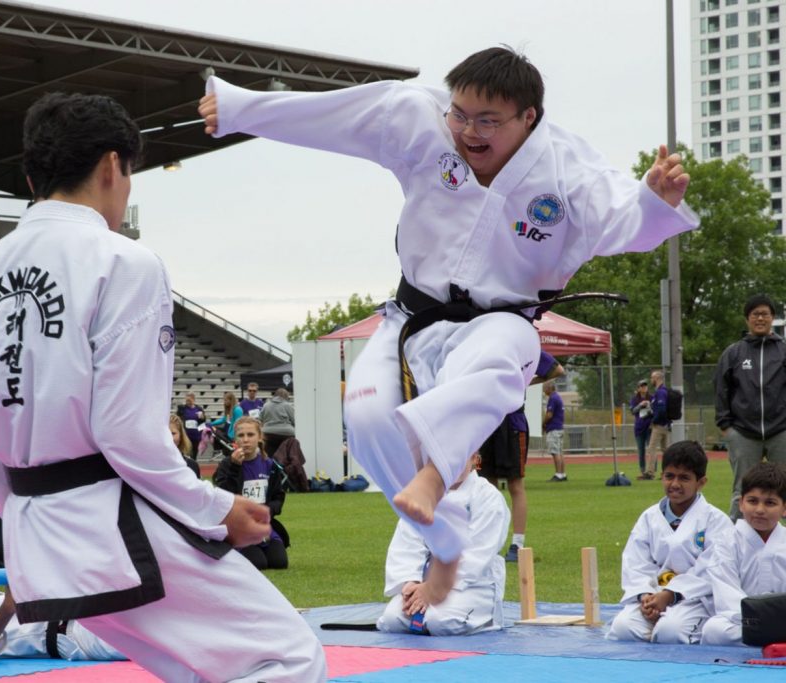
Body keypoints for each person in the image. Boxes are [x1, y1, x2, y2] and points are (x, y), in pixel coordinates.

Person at [199, 45, 697, 602]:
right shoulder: (419, 119)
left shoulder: (568, 171)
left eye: (488, 121)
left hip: (502, 319)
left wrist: (654, 201)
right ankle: (443, 535)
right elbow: (339, 117)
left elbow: (624, 215)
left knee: (495, 359)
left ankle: (435, 482)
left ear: (528, 118)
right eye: (460, 114)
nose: (468, 131)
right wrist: (242, 109)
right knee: (363, 414)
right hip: (412, 317)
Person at [0, 91, 325, 682]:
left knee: (207, 667)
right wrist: (216, 507)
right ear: (111, 166)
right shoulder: (123, 262)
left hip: (32, 527)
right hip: (107, 523)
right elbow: (126, 432)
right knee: (287, 656)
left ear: (30, 174)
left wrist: (23, 523)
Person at [606, 441, 734, 644]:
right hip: (653, 596)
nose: (675, 484)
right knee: (623, 628)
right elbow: (636, 562)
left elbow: (712, 570)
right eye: (669, 476)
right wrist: (646, 596)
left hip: (694, 600)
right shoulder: (650, 517)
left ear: (701, 482)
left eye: (684, 478)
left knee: (670, 632)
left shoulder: (716, 521)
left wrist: (670, 595)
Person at [377, 454, 509, 636]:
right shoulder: (425, 494)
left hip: (472, 585)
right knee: (392, 620)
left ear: (474, 459)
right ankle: (421, 604)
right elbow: (408, 541)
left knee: (440, 622)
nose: (451, 467)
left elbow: (478, 553)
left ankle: (484, 618)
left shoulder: (487, 497)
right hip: (425, 579)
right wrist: (411, 581)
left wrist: (433, 587)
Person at [481, 351, 563, 561]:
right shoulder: (482, 341)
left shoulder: (522, 346)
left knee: (515, 485)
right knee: (487, 487)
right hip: (486, 420)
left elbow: (557, 370)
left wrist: (526, 382)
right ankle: (489, 543)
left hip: (512, 422)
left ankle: (517, 544)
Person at [714, 294, 786, 520]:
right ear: (747, 319)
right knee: (743, 490)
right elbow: (721, 389)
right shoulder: (733, 353)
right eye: (755, 314)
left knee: (784, 488)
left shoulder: (783, 351)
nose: (760, 318)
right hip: (743, 433)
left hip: (780, 431)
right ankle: (735, 542)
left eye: (765, 314)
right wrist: (726, 427)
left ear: (772, 318)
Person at [700, 462, 786, 646]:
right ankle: (774, 642)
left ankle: (772, 640)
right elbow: (726, 592)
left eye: (770, 503)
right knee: (713, 630)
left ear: (784, 508)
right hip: (743, 623)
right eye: (752, 501)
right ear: (741, 503)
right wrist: (758, 620)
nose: (760, 510)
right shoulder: (726, 541)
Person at [213, 416, 289, 570]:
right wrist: (235, 468)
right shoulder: (226, 466)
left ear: (260, 437)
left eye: (250, 435)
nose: (245, 440)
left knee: (279, 563)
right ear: (235, 439)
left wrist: (266, 514)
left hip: (263, 525)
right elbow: (223, 498)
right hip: (238, 528)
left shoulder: (270, 465)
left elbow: (278, 497)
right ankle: (231, 548)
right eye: (241, 435)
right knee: (258, 563)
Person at [644, 370, 671, 480]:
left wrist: (654, 420)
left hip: (660, 425)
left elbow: (661, 409)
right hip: (666, 424)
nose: (651, 380)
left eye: (652, 378)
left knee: (652, 448)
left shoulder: (660, 392)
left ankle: (650, 472)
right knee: (665, 450)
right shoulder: (664, 391)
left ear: (657, 378)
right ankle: (667, 472)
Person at [259, 387, 295, 458]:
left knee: (268, 454)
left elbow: (260, 420)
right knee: (287, 455)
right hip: (286, 434)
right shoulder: (287, 405)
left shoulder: (266, 405)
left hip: (268, 434)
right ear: (285, 397)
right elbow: (294, 421)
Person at [631, 380, 654, 480]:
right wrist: (640, 405)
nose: (644, 388)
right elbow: (632, 411)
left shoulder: (652, 398)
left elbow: (655, 410)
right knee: (641, 450)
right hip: (639, 427)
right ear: (638, 388)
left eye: (645, 386)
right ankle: (643, 470)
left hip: (650, 427)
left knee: (651, 449)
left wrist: (649, 406)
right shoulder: (635, 399)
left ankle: (651, 470)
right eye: (642, 386)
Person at [543, 381, 566, 482]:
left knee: (555, 452)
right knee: (560, 452)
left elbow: (549, 415)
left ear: (549, 388)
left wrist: (543, 423)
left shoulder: (552, 398)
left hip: (554, 428)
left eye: (545, 388)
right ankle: (562, 473)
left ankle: (558, 474)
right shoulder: (558, 397)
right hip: (559, 428)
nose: (544, 390)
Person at [175, 392, 206, 460]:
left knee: (194, 455)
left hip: (196, 436)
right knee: (184, 453)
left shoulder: (199, 409)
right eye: (186, 400)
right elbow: (177, 419)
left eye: (189, 400)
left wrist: (202, 418)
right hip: (186, 435)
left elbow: (203, 423)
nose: (187, 402)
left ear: (193, 399)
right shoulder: (182, 408)